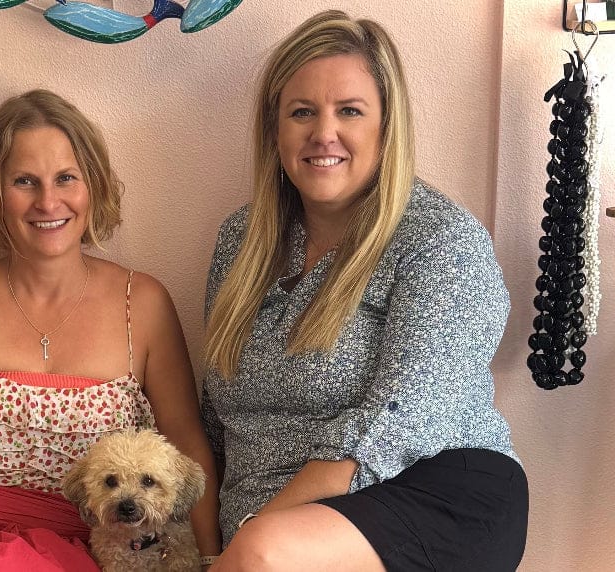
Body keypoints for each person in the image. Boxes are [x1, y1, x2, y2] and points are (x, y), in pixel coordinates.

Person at [200, 10, 528, 572]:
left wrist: (246, 544)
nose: (323, 133)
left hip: (429, 486)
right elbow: (217, 417)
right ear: (274, 130)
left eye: (349, 111)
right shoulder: (242, 239)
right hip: (275, 526)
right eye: (301, 112)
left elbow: (393, 423)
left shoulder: (440, 238)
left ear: (386, 125)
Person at [0, 89, 221, 571]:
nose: (48, 202)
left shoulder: (144, 303)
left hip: (94, 548)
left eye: (66, 178)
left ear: (93, 187)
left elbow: (186, 444)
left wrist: (212, 555)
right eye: (25, 181)